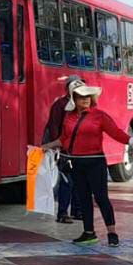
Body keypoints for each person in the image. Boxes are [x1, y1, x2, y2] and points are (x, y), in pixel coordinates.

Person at [42, 80, 133, 246]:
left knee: (101, 198)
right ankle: (89, 232)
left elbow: (116, 133)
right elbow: (64, 139)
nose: (85, 100)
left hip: (95, 162)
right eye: (81, 97)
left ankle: (112, 233)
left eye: (88, 97)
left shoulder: (99, 116)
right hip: (77, 163)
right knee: (83, 198)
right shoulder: (69, 117)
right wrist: (45, 147)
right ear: (73, 99)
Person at [43, 75, 83, 224]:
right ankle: (62, 213)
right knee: (67, 181)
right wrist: (57, 145)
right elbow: (54, 126)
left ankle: (77, 211)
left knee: (79, 181)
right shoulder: (60, 105)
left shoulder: (82, 104)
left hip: (79, 149)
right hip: (65, 149)